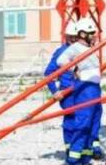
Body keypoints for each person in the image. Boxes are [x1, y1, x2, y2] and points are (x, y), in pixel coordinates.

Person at [56, 18, 102, 164]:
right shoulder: (75, 48)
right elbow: (60, 61)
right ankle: (72, 160)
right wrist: (74, 69)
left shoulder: (90, 48)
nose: (94, 35)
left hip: (95, 89)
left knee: (94, 124)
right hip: (84, 89)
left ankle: (86, 158)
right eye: (91, 33)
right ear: (82, 34)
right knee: (83, 124)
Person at [44, 20, 81, 160]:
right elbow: (48, 73)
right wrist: (54, 91)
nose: (73, 40)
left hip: (82, 91)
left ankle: (84, 150)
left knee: (85, 120)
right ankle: (70, 150)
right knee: (71, 120)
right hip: (68, 93)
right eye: (71, 37)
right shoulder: (61, 52)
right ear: (66, 37)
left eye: (76, 37)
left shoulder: (83, 50)